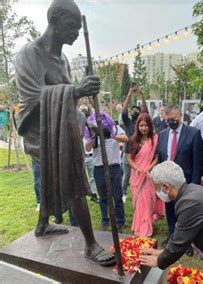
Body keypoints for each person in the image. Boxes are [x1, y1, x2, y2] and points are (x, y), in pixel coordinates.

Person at [14, 0, 114, 265]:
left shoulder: (64, 60)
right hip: (39, 132)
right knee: (72, 176)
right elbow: (33, 96)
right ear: (54, 22)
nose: (76, 34)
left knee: (53, 175)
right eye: (72, 26)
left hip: (61, 126)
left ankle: (42, 225)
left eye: (79, 29)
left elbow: (68, 97)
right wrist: (75, 90)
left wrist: (83, 91)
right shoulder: (29, 54)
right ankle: (91, 244)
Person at [139, 161, 203, 283]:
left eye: (156, 188)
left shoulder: (190, 202)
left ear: (166, 187)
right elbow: (184, 232)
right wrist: (163, 252)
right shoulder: (192, 191)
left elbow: (180, 241)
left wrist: (159, 260)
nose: (156, 193)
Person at [156, 106, 203, 246]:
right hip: (167, 181)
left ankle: (186, 242)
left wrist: (194, 184)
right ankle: (172, 237)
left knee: (185, 211)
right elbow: (161, 157)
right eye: (168, 120)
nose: (171, 122)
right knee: (170, 210)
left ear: (180, 116)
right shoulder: (163, 134)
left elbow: (198, 161)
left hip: (186, 182)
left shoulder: (193, 134)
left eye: (174, 119)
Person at [85, 112, 128, 233]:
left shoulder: (114, 127)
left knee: (117, 196)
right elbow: (87, 148)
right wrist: (94, 136)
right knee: (103, 196)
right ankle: (105, 220)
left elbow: (125, 139)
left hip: (114, 167)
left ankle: (120, 221)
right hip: (99, 168)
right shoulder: (92, 131)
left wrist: (112, 135)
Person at [126, 113, 164, 237]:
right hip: (136, 176)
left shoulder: (155, 139)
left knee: (147, 201)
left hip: (149, 175)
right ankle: (140, 225)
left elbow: (157, 158)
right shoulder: (132, 140)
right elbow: (129, 159)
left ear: (150, 126)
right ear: (137, 126)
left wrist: (148, 168)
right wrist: (138, 168)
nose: (144, 128)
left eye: (146, 125)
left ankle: (145, 229)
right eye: (141, 125)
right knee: (138, 203)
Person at [121, 85, 148, 202]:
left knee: (139, 175)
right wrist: (129, 94)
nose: (134, 111)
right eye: (133, 109)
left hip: (140, 154)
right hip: (128, 153)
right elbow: (124, 110)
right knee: (126, 176)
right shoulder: (128, 122)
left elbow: (146, 111)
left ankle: (140, 193)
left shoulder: (142, 123)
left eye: (137, 109)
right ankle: (124, 194)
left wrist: (142, 95)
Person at [79, 104, 99, 203]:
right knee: (81, 177)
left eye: (85, 109)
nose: (84, 111)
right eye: (82, 109)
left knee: (92, 177)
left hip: (90, 156)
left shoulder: (91, 125)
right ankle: (82, 196)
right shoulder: (77, 126)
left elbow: (96, 112)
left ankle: (93, 195)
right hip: (80, 157)